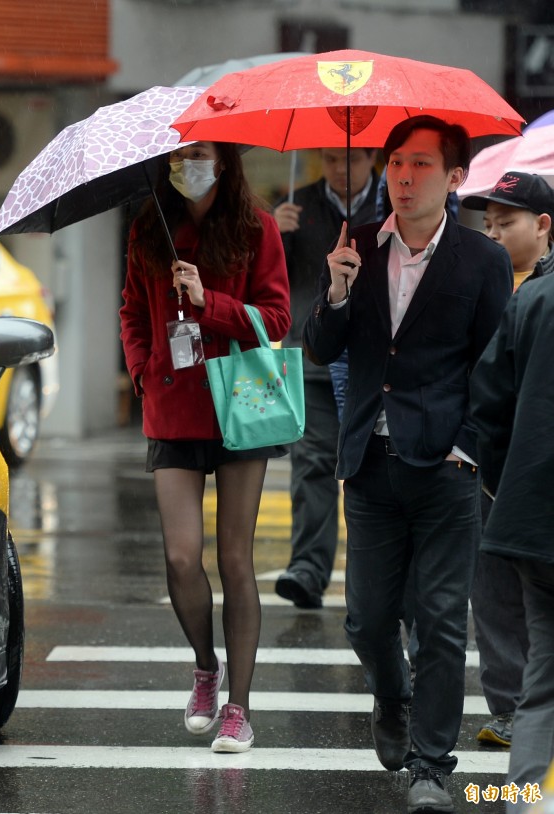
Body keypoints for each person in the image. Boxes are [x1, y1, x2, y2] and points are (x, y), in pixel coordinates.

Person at [302, 115, 513, 813]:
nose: (403, 177)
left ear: (455, 179)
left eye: (421, 165)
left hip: (446, 467)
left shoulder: (481, 261)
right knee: (366, 620)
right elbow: (320, 350)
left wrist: (469, 450)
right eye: (395, 163)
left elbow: (496, 366)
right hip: (370, 460)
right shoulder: (356, 244)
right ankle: (391, 697)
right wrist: (335, 292)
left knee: (443, 617)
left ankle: (430, 763)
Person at [119, 140, 291, 753]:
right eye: (177, 155)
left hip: (238, 404)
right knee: (182, 557)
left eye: (199, 154)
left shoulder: (255, 227)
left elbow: (275, 318)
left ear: (224, 163)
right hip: (171, 407)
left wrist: (207, 303)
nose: (186, 165)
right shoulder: (148, 227)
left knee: (234, 560)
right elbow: (133, 311)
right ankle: (204, 667)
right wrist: (141, 367)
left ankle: (240, 707)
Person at [462, 170, 554, 748]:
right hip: (490, 466)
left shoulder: (538, 292)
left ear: (544, 226)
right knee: (492, 591)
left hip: (515, 465)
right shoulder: (477, 278)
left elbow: (491, 392)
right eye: (488, 224)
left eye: (506, 223)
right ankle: (511, 708)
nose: (493, 234)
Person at [273, 146, 379, 608]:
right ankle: (309, 569)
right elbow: (272, 278)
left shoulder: (393, 206)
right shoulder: (298, 205)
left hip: (372, 361)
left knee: (373, 466)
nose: (340, 168)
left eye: (350, 159)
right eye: (330, 159)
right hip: (313, 352)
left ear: (372, 158)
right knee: (313, 462)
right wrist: (277, 236)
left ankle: (375, 575)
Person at [469, 271, 554, 812]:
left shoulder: (534, 297)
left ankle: (526, 803)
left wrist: (506, 487)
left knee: (542, 683)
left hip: (533, 518)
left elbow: (488, 403)